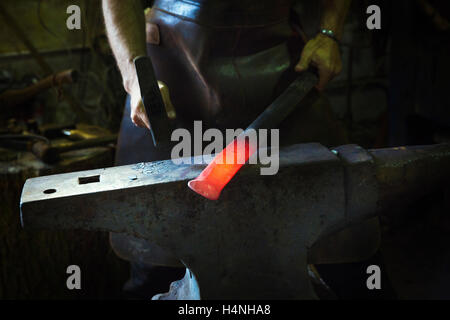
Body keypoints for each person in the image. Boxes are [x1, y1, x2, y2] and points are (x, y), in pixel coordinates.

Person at [102, 0, 351, 298]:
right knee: (158, 260)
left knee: (338, 244)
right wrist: (133, 76)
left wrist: (329, 33)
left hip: (280, 68)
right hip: (171, 69)